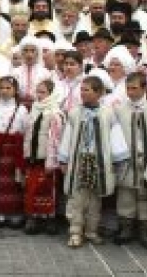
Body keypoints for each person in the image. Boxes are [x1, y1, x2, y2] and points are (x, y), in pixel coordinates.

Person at [58, 75, 129, 248]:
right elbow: (67, 137)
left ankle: (91, 231)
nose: (82, 93)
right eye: (81, 89)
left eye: (87, 90)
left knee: (95, 200)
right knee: (77, 198)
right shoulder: (75, 113)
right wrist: (64, 159)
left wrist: (117, 159)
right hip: (79, 161)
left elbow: (115, 136)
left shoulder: (108, 113)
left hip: (98, 163)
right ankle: (75, 231)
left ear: (99, 93)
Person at [113, 72, 147, 248]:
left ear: (144, 88)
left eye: (135, 88)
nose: (130, 92)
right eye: (128, 88)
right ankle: (125, 228)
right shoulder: (120, 109)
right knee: (126, 195)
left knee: (146, 195)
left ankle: (146, 231)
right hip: (127, 159)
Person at [22, 78, 65, 235]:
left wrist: (51, 161)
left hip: (46, 159)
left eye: (43, 92)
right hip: (32, 158)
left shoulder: (55, 113)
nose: (39, 95)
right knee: (32, 189)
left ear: (52, 94)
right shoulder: (33, 110)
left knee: (48, 189)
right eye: (37, 92)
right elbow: (27, 134)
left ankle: (50, 219)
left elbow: (55, 139)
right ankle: (33, 217)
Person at [0, 76, 29, 228]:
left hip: (14, 152)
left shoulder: (22, 110)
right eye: (2, 88)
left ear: (15, 90)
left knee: (14, 182)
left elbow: (25, 131)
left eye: (8, 88)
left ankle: (14, 214)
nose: (4, 91)